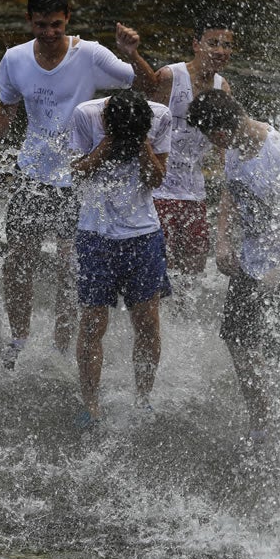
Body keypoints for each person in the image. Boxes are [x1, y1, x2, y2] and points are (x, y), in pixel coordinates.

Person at [0, 0, 143, 368]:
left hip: (78, 176)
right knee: (17, 259)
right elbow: (5, 107)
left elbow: (142, 83)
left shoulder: (90, 55)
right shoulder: (14, 58)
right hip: (32, 173)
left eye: (56, 25)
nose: (48, 33)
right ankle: (19, 338)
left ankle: (63, 342)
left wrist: (132, 53)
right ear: (29, 21)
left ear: (68, 21)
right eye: (41, 25)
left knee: (69, 264)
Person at [186, 89, 280, 448]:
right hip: (250, 263)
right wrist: (222, 240)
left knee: (279, 353)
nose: (213, 144)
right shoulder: (234, 149)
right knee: (237, 340)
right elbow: (231, 192)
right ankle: (260, 418)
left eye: (212, 137)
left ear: (223, 131)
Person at [68, 89, 170, 425]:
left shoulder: (160, 117)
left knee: (147, 325)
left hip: (143, 236)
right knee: (93, 323)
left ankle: (142, 399)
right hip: (96, 235)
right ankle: (91, 405)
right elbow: (76, 173)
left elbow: (156, 179)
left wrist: (142, 145)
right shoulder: (86, 114)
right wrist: (105, 146)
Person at [128, 11, 234, 294]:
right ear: (196, 44)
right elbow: (144, 91)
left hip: (194, 195)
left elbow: (225, 143)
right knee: (154, 274)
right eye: (213, 43)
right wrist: (131, 54)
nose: (221, 51)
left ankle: (179, 331)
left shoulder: (221, 87)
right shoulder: (171, 77)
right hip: (157, 193)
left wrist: (236, 180)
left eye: (226, 45)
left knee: (191, 278)